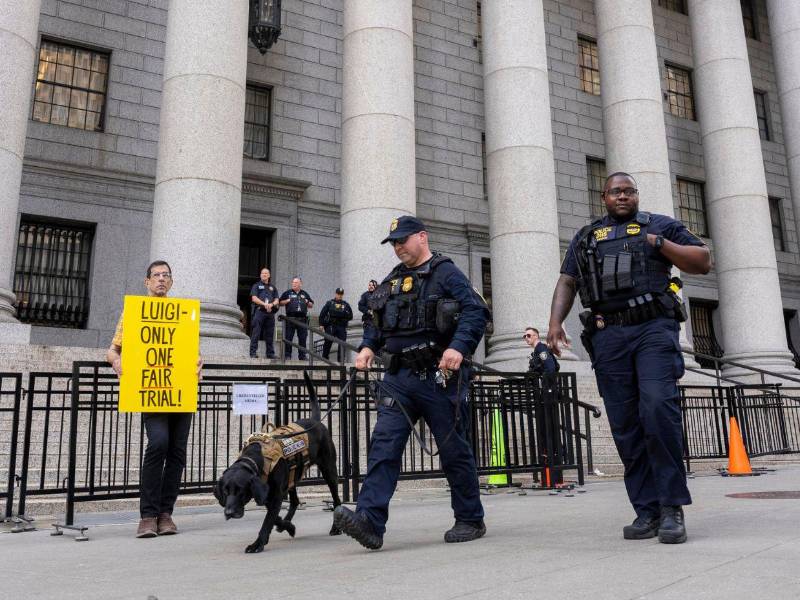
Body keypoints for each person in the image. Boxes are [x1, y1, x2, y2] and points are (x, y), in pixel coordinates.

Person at [546, 172, 711, 544]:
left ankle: (672, 508)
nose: (622, 196)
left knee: (657, 410)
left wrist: (661, 244)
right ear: (603, 196)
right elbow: (568, 280)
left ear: (636, 195)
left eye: (629, 191)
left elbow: (702, 261)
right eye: (615, 191)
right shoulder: (587, 236)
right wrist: (554, 323)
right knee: (625, 425)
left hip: (653, 329)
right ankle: (646, 511)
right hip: (608, 336)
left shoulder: (659, 226)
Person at [334, 215, 490, 550]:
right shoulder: (393, 279)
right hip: (398, 378)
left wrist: (458, 347)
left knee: (454, 451)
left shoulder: (446, 272)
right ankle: (369, 522)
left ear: (422, 236)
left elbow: (476, 311)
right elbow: (376, 319)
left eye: (402, 240)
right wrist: (367, 347)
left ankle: (470, 518)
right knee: (383, 447)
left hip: (439, 377)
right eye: (393, 243)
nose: (398, 247)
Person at [107, 260, 203, 538]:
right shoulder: (134, 312)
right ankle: (147, 515)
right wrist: (116, 362)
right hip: (152, 392)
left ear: (171, 282)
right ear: (147, 281)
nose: (161, 279)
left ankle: (165, 514)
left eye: (166, 275)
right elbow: (112, 350)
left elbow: (191, 353)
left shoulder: (183, 313)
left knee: (177, 452)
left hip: (180, 392)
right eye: (156, 275)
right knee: (158, 443)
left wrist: (199, 363)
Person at [524, 326, 563, 485]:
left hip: (547, 394)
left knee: (548, 428)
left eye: (528, 335)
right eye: (524, 336)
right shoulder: (536, 351)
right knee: (544, 429)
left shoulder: (541, 349)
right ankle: (549, 460)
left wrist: (545, 386)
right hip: (543, 395)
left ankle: (553, 461)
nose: (526, 338)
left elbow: (551, 368)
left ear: (536, 336)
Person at [279, 277, 314, 360]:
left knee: (302, 338)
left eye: (296, 282)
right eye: (293, 282)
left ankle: (302, 356)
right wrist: (287, 301)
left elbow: (311, 305)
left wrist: (307, 301)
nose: (294, 284)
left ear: (300, 284)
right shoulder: (287, 293)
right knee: (288, 337)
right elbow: (280, 302)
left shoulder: (304, 293)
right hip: (290, 318)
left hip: (302, 319)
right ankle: (287, 355)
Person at [249, 267, 280, 359]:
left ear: (269, 275)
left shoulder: (273, 287)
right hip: (259, 312)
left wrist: (271, 304)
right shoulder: (256, 286)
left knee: (270, 334)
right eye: (262, 273)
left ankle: (270, 354)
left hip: (270, 313)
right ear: (260, 275)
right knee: (256, 333)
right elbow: (254, 298)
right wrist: (264, 304)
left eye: (266, 273)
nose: (264, 275)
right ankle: (253, 353)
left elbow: (277, 300)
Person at [319, 287, 353, 361]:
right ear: (336, 294)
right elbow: (322, 314)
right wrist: (321, 324)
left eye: (341, 294)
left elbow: (350, 316)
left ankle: (341, 360)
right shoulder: (330, 303)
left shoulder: (345, 304)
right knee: (328, 341)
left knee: (342, 343)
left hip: (341, 326)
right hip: (331, 325)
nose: (340, 295)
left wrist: (344, 319)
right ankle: (324, 358)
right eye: (338, 294)